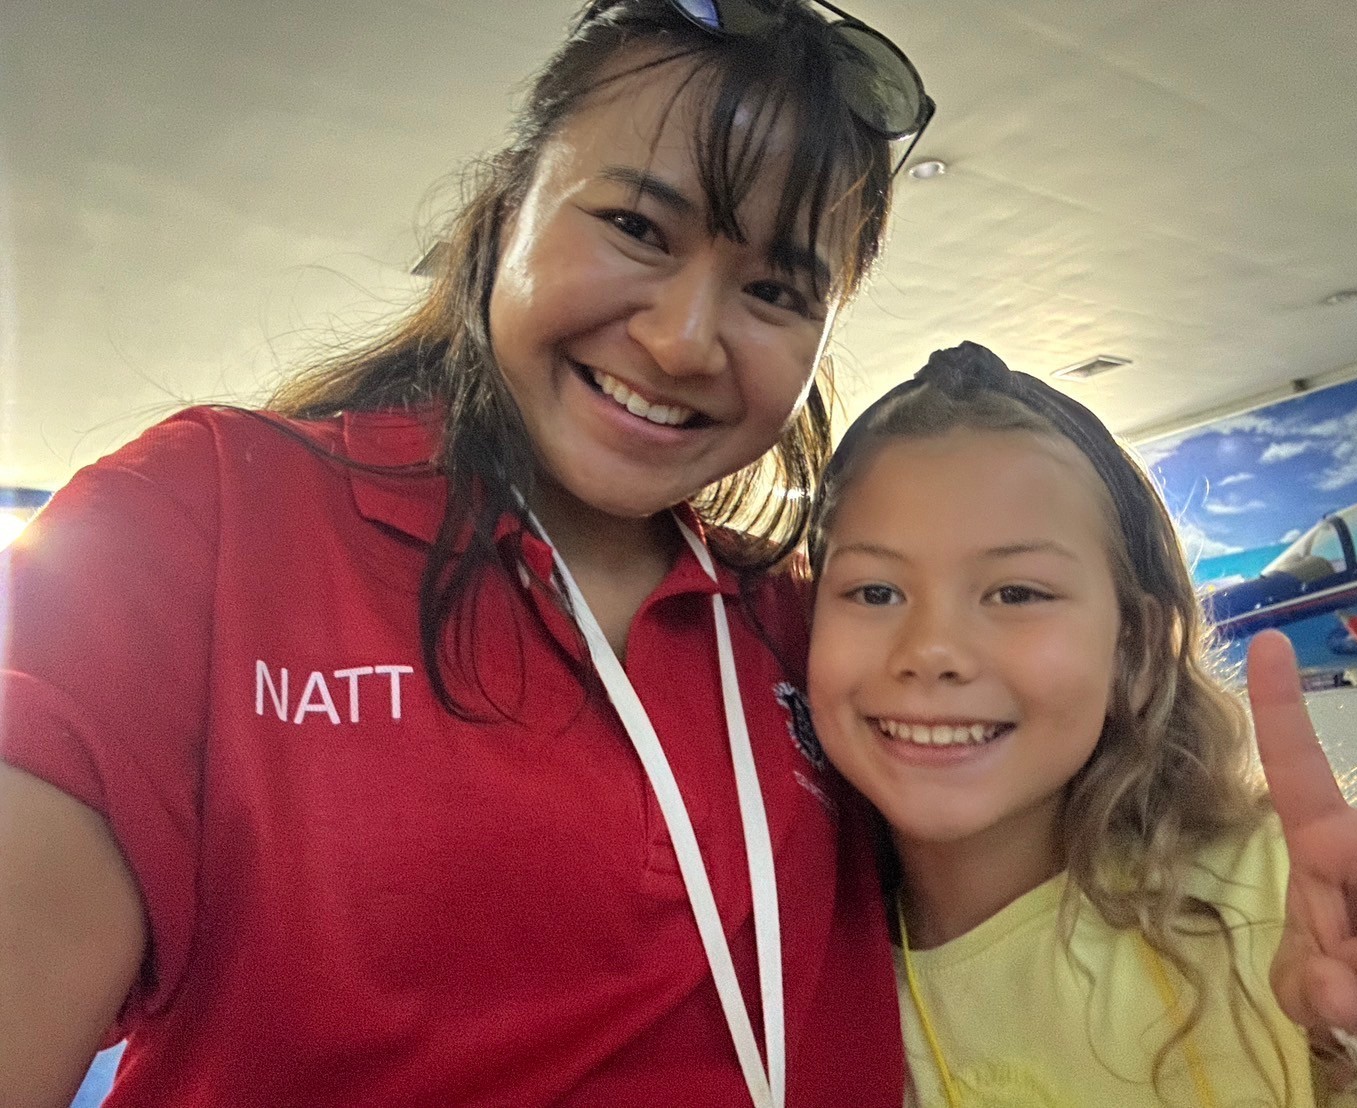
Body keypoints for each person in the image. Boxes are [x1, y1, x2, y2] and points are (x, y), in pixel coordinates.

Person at [0, 2, 939, 1104]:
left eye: (776, 292)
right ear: (502, 216)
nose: (683, 341)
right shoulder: (198, 521)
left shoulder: (817, 628)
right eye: (637, 227)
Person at [805, 342, 1357, 1106]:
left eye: (1017, 593)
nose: (931, 651)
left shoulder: (1287, 896)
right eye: (874, 592)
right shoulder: (788, 967)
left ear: (1135, 646)